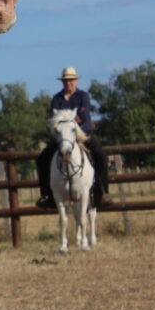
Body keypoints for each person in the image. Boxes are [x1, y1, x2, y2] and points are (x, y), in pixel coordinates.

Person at [35, 67, 111, 209]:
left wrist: (68, 119)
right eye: (65, 80)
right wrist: (73, 118)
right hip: (61, 137)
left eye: (70, 80)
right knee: (42, 159)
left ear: (76, 81)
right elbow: (53, 121)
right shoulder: (56, 99)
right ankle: (47, 195)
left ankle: (102, 192)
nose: (68, 83)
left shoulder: (83, 96)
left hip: (83, 136)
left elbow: (85, 119)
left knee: (101, 156)